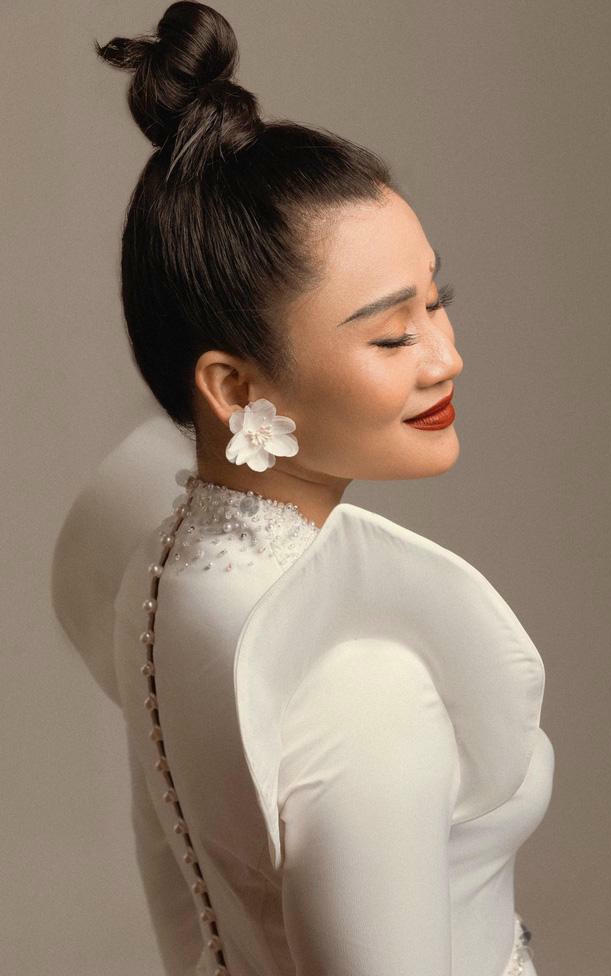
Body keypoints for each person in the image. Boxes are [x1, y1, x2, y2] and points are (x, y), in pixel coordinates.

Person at [51, 3, 555, 974]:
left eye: (436, 301)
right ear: (235, 387)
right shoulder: (360, 680)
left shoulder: (148, 561)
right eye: (391, 335)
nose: (445, 357)